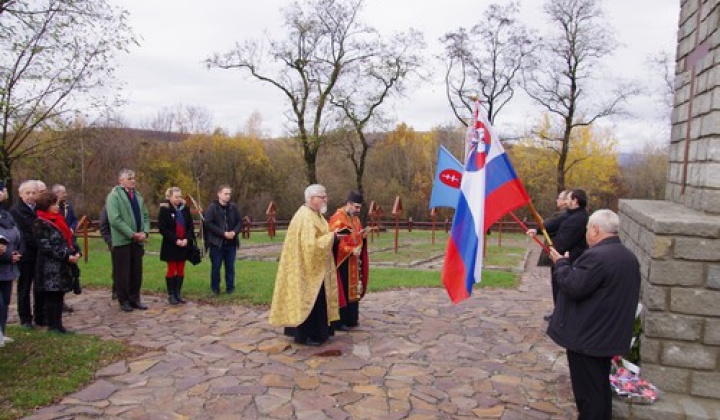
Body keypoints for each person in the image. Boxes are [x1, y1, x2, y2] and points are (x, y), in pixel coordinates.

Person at [548, 209, 640, 420]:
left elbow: (572, 286)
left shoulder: (597, 257)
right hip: (607, 334)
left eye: (588, 228)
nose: (586, 232)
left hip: (589, 339)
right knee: (598, 389)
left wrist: (561, 264)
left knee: (589, 396)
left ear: (596, 230)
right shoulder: (627, 256)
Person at [269, 184, 341, 347]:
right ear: (311, 199)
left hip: (317, 266)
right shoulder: (305, 217)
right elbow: (310, 246)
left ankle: (321, 332)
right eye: (322, 197)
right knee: (312, 299)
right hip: (306, 267)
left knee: (320, 298)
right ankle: (309, 335)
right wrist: (333, 237)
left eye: (325, 196)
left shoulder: (316, 215)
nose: (325, 199)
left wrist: (335, 237)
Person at [33, 192, 81, 334]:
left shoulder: (59, 219)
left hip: (62, 266)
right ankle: (53, 325)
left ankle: (59, 325)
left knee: (59, 296)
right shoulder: (40, 222)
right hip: (50, 267)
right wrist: (66, 256)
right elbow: (46, 246)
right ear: (46, 206)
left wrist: (76, 251)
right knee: (52, 297)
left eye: (57, 204)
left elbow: (69, 238)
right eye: (53, 204)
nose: (56, 207)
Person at [106, 169, 150, 312]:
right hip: (123, 241)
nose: (133, 180)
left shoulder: (137, 196)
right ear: (121, 180)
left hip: (137, 242)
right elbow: (115, 220)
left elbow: (145, 215)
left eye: (134, 178)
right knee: (122, 273)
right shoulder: (114, 196)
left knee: (136, 272)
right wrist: (132, 234)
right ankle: (123, 300)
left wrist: (145, 232)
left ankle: (134, 299)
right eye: (129, 178)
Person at [328, 190, 368, 331]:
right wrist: (351, 250)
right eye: (356, 207)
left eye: (359, 208)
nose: (358, 211)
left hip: (353, 261)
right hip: (341, 262)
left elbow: (356, 235)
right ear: (348, 204)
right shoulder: (338, 219)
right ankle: (339, 321)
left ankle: (351, 319)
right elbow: (335, 242)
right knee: (342, 289)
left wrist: (363, 236)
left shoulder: (355, 219)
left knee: (353, 289)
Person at [10, 180, 44, 328]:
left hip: (40, 254)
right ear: (20, 194)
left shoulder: (40, 209)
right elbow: (22, 234)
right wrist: (40, 243)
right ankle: (25, 318)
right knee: (24, 288)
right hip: (25, 254)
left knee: (40, 286)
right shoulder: (15, 211)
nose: (30, 196)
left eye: (33, 193)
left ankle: (40, 316)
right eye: (27, 193)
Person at [158, 187, 195, 304]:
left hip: (183, 243)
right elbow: (163, 228)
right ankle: (171, 294)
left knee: (181, 269)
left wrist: (187, 239)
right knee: (172, 269)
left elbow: (190, 226)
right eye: (176, 197)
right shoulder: (165, 209)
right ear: (169, 197)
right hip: (171, 244)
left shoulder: (184, 209)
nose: (178, 199)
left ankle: (178, 293)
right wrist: (175, 240)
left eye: (180, 197)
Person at [203, 185, 241, 295]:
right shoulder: (212, 208)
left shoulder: (233, 208)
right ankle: (215, 289)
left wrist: (234, 232)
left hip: (231, 243)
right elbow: (208, 224)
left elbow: (239, 222)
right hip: (217, 243)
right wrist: (223, 233)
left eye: (229, 194)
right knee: (216, 267)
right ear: (219, 194)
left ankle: (230, 289)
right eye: (225, 194)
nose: (228, 196)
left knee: (230, 267)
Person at [0, 182, 22, 346]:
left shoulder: (6, 213)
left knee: (6, 300)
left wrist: (16, 252)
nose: (5, 191)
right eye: (2, 189)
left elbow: (16, 233)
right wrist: (7, 255)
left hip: (8, 266)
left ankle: (1, 331)